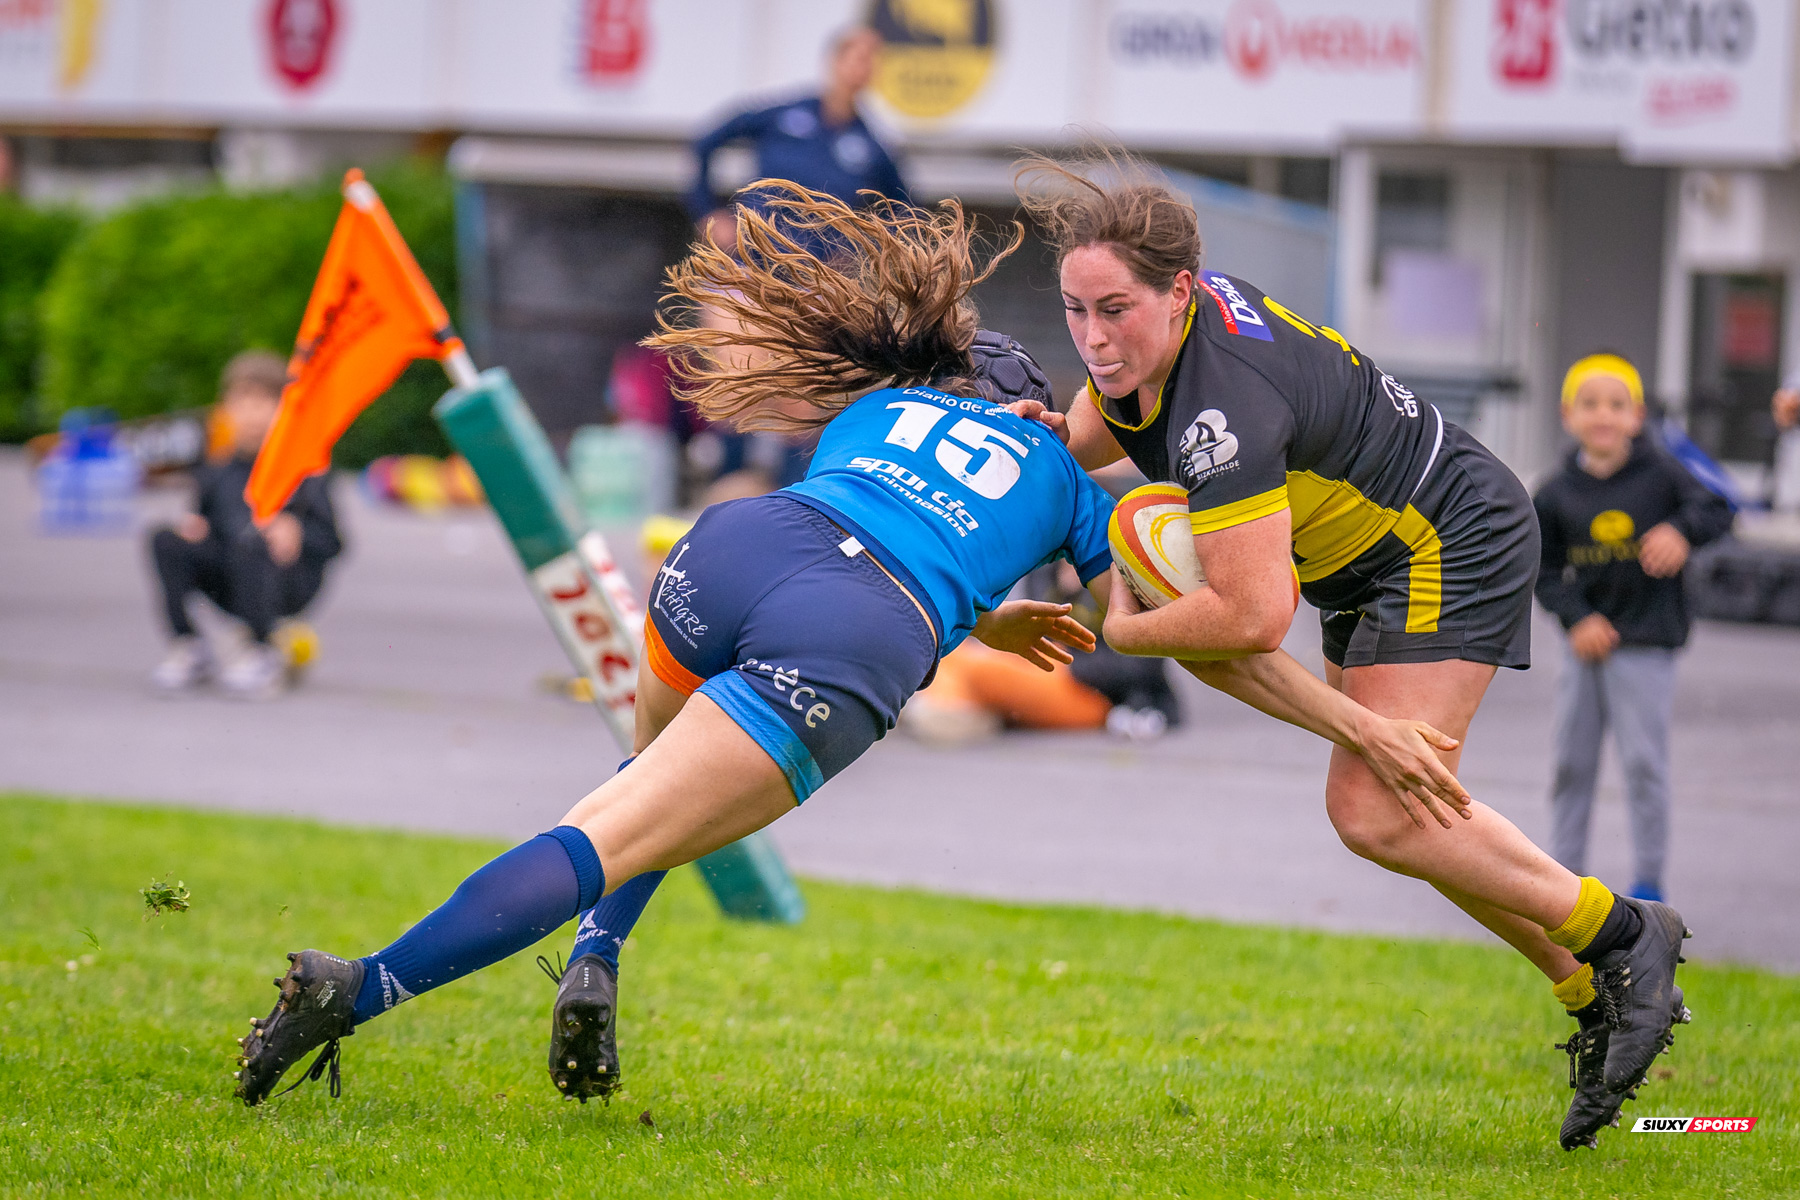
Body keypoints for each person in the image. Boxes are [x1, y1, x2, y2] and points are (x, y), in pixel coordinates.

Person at [227, 183, 1473, 1112]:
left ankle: (599, 950)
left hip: (732, 553)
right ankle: (365, 988)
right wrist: (1356, 719)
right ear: (1030, 395)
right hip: (848, 636)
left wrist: (983, 608)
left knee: (635, 796)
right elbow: (1217, 647)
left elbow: (889, 517)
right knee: (632, 829)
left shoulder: (876, 403)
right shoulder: (1075, 481)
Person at [1010, 153, 1692, 1151]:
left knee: (1374, 808)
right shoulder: (1162, 343)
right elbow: (1099, 416)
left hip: (1444, 533)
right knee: (1410, 804)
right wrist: (1047, 438)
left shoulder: (1220, 410)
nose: (1094, 338)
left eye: (1114, 310)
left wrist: (1123, 625)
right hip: (1363, 558)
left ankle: (1628, 935)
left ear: (1180, 292)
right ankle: (1593, 986)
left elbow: (1246, 620)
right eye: (1075, 310)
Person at [1534, 354, 1734, 904]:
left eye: (1616, 405)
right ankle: (1562, 884)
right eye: (1590, 404)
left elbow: (1720, 506)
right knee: (1571, 764)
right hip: (1585, 648)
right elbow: (1544, 571)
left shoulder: (1664, 473)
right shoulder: (1554, 493)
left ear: (1637, 415)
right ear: (1567, 414)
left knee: (1644, 765)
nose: (1603, 415)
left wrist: (1680, 531)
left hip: (1646, 644)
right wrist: (1577, 618)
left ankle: (1648, 886)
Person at [148, 351, 342, 699]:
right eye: (243, 403)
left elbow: (335, 542)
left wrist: (298, 532)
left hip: (287, 583)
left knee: (255, 537)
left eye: (263, 403)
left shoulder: (305, 469)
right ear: (227, 410)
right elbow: (208, 523)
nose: (252, 416)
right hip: (232, 581)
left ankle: (263, 650)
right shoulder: (216, 470)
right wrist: (196, 530)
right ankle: (189, 647)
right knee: (164, 539)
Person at [685, 26, 905, 256]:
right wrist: (707, 213)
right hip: (748, 264)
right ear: (835, 60)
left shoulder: (871, 145)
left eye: (874, 59)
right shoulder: (784, 113)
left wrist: (865, 251)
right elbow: (705, 143)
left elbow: (904, 209)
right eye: (860, 57)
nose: (865, 66)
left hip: (817, 280)